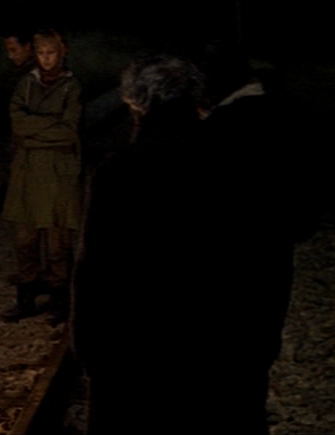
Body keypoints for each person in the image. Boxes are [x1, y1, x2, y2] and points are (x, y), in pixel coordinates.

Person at [70, 53, 311, 435]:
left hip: (136, 358)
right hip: (222, 355)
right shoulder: (240, 165)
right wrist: (257, 349)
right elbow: (270, 262)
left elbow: (95, 274)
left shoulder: (120, 172)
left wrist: (91, 352)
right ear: (197, 98)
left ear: (135, 104)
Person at [0, 29, 82, 324]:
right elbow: (18, 122)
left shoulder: (71, 86)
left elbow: (68, 130)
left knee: (58, 241)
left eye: (51, 53)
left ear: (61, 53)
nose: (46, 59)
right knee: (26, 239)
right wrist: (48, 127)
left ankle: (60, 301)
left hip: (58, 172)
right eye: (41, 53)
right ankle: (26, 298)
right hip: (28, 171)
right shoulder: (26, 84)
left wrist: (34, 130)